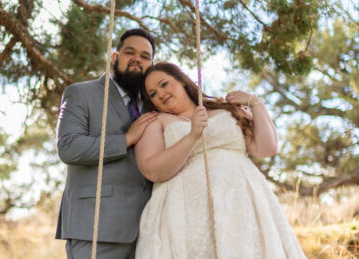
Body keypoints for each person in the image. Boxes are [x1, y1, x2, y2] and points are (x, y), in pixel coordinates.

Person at [134, 62, 306, 258]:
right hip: (186, 211)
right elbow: (152, 170)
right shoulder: (155, 121)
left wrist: (255, 103)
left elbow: (267, 147)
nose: (160, 93)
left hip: (240, 202)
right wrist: (192, 136)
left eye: (163, 84)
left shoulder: (225, 109)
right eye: (153, 94)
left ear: (182, 81)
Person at [55, 28, 157, 258]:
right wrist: (127, 139)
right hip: (94, 227)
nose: (137, 60)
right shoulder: (81, 93)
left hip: (149, 231)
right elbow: (68, 147)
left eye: (145, 56)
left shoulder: (155, 104)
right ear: (114, 57)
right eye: (130, 52)